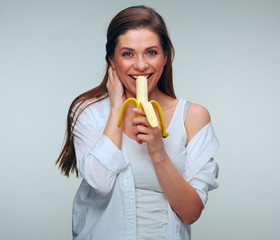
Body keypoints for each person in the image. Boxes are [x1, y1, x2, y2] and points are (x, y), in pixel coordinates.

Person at [56, 5, 219, 240]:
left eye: (151, 52)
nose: (141, 65)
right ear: (111, 60)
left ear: (165, 57)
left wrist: (158, 152)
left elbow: (191, 212)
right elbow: (100, 182)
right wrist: (115, 110)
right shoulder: (88, 111)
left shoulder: (193, 117)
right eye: (128, 53)